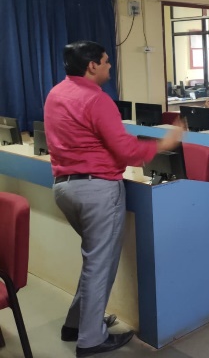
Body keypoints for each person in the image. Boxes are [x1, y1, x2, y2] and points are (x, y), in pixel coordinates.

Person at [44, 41, 184, 356]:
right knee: (100, 264)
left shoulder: (56, 94)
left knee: (94, 259)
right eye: (106, 61)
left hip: (64, 188)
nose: (110, 66)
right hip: (96, 190)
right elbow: (126, 150)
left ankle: (77, 324)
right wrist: (164, 144)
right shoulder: (97, 99)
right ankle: (91, 339)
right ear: (92, 65)